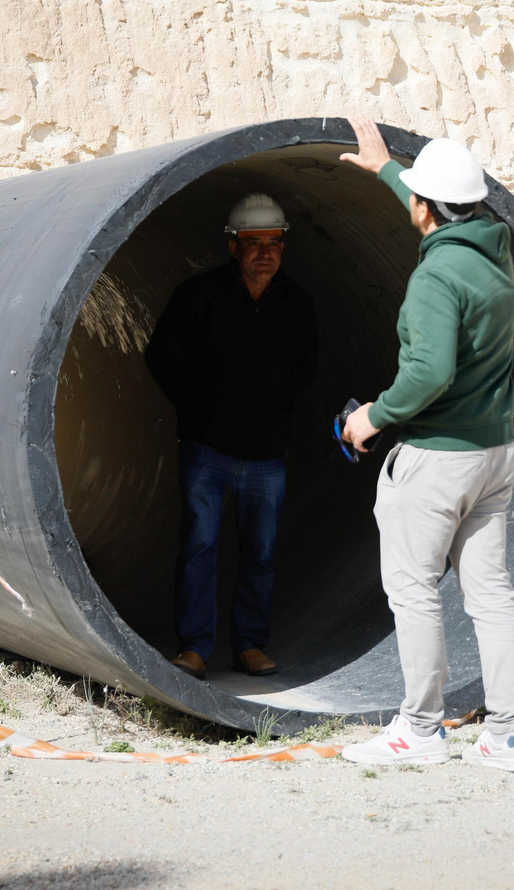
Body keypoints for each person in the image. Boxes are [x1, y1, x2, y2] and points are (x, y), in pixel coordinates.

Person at [335, 118, 514, 772]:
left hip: (439, 459)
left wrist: (373, 417)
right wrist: (390, 169)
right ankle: (507, 734)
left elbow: (428, 373)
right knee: (492, 594)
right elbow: (445, 213)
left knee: (415, 589)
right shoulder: (495, 252)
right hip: (497, 456)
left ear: (424, 209)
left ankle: (420, 729)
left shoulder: (435, 278)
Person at [144, 193, 319, 681]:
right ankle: (195, 648)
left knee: (260, 555)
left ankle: (249, 646)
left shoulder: (296, 303)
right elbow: (161, 356)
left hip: (267, 456)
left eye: (274, 242)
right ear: (233, 246)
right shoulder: (199, 296)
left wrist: (273, 407)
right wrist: (197, 408)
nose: (265, 252)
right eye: (253, 242)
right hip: (208, 450)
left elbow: (308, 368)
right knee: (199, 549)